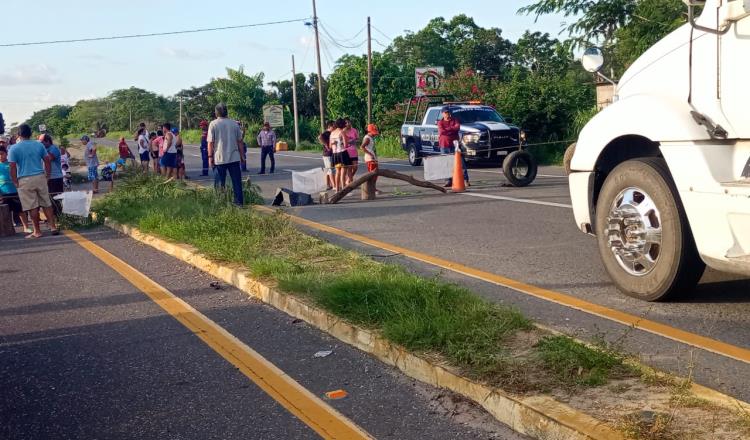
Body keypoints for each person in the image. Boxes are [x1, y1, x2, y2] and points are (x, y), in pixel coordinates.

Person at [8, 124, 58, 238]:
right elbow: (47, 161)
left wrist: (15, 181)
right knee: (46, 203)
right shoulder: (38, 145)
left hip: (24, 179)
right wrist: (48, 175)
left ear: (18, 135)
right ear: (30, 134)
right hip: (40, 176)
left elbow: (12, 167)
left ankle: (37, 231)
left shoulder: (14, 148)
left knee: (32, 206)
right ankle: (53, 226)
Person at [208, 103, 246, 205]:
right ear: (226, 112)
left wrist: (210, 157)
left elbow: (210, 142)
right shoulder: (234, 124)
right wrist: (242, 156)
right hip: (234, 157)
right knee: (236, 182)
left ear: (216, 113)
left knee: (220, 183)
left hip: (219, 158)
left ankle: (220, 202)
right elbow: (240, 142)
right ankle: (239, 203)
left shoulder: (213, 124)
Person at [0, 146, 31, 233]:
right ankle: (7, 229)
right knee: (5, 211)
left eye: (2, 154)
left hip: (14, 191)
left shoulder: (11, 164)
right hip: (3, 192)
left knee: (20, 210)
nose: (0, 156)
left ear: (6, 154)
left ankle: (26, 227)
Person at [437, 107, 469, 188]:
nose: (447, 114)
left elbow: (457, 127)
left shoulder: (455, 120)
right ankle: (448, 181)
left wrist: (448, 130)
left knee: (461, 162)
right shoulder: (440, 122)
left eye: (448, 112)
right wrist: (452, 129)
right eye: (445, 112)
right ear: (442, 113)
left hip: (455, 145)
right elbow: (442, 131)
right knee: (446, 164)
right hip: (444, 145)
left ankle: (465, 180)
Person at [38, 134, 64, 202]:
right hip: (48, 177)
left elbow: (49, 159)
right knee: (50, 199)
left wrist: (42, 149)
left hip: (55, 177)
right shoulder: (44, 149)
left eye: (42, 142)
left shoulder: (54, 148)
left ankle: (59, 212)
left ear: (48, 141)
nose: (41, 144)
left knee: (56, 199)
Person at [330, 118, 350, 191]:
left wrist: (335, 143)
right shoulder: (342, 132)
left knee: (337, 172)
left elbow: (330, 146)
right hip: (342, 153)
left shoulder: (332, 133)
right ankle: (343, 190)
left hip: (335, 154)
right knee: (343, 172)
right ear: (342, 124)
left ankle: (337, 189)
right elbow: (346, 145)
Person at [360, 123, 381, 195]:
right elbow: (362, 147)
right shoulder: (367, 138)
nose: (375, 134)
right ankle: (372, 188)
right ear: (369, 131)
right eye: (373, 132)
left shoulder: (371, 138)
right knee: (372, 174)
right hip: (370, 158)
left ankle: (374, 188)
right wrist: (370, 154)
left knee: (375, 174)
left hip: (373, 157)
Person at [318, 120, 335, 190]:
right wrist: (326, 145)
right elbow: (319, 137)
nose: (335, 127)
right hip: (327, 154)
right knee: (330, 170)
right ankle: (334, 185)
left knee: (328, 170)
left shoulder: (331, 133)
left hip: (330, 153)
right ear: (329, 126)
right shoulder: (327, 133)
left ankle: (328, 185)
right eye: (333, 126)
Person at [344, 117, 359, 182]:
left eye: (349, 122)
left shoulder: (354, 130)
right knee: (349, 168)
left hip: (354, 151)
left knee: (355, 167)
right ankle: (350, 181)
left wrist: (354, 140)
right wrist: (348, 141)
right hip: (346, 151)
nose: (348, 124)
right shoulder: (343, 131)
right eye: (346, 123)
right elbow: (340, 141)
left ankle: (349, 179)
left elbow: (358, 139)